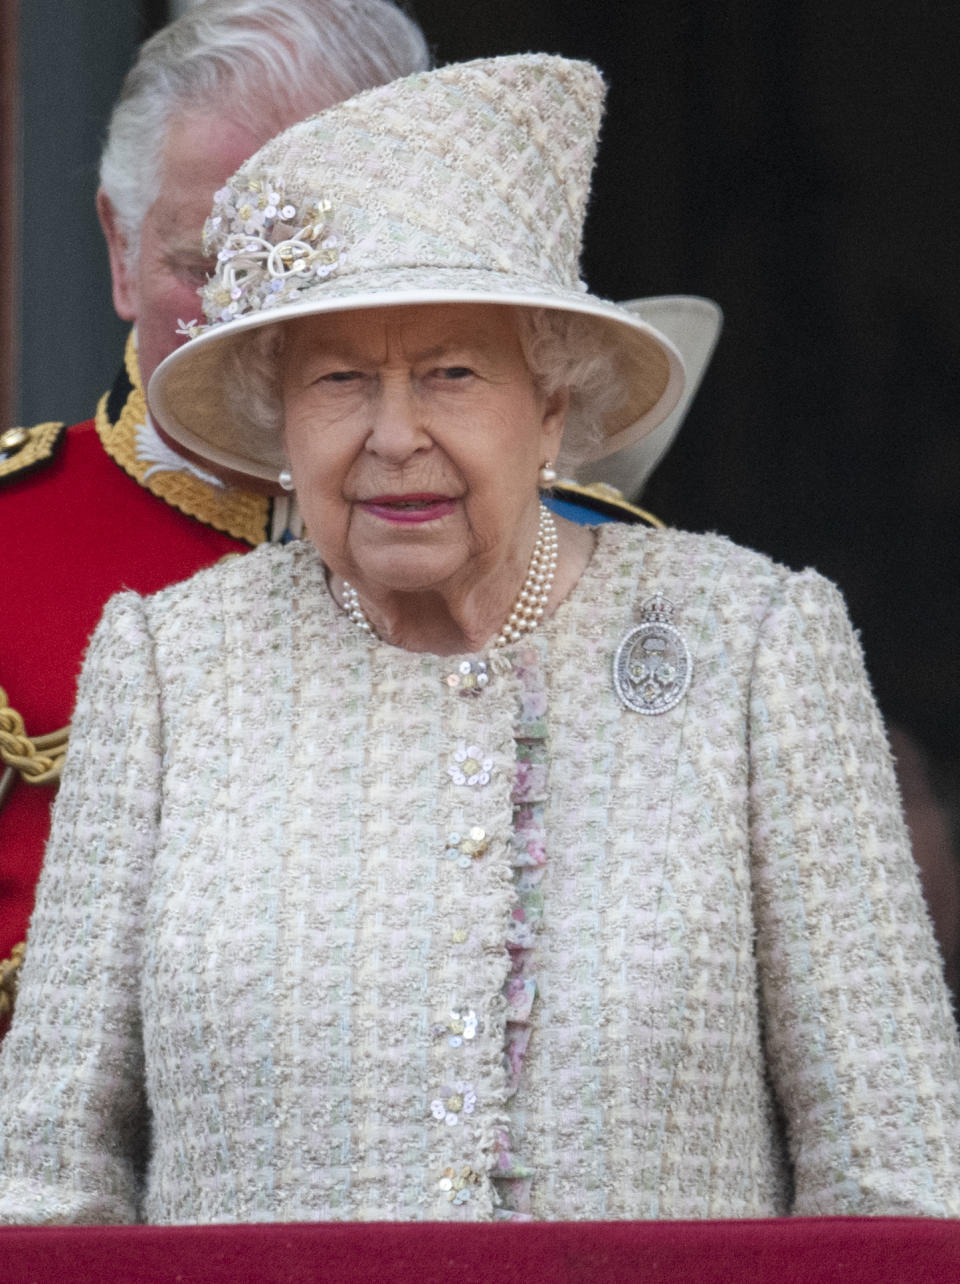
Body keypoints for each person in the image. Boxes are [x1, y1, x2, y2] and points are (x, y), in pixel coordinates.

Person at [6, 53, 953, 1226]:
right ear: (280, 416)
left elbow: (899, 1171)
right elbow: (44, 1178)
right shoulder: (170, 666)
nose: (395, 436)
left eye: (452, 373)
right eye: (342, 379)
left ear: (553, 404)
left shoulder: (755, 645)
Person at [0, 0, 431, 1025]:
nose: (254, 321)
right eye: (203, 267)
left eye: (312, 267)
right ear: (119, 248)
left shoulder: (574, 554)